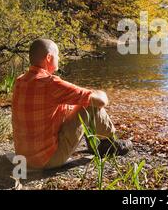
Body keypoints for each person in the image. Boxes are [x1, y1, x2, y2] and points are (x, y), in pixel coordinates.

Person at [11, 38, 132, 169]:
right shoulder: (50, 83)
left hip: (23, 157)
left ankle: (95, 142)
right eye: (57, 55)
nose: (59, 58)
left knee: (74, 104)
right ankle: (109, 143)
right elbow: (101, 101)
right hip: (47, 160)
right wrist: (100, 92)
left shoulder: (20, 80)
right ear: (49, 58)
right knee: (90, 106)